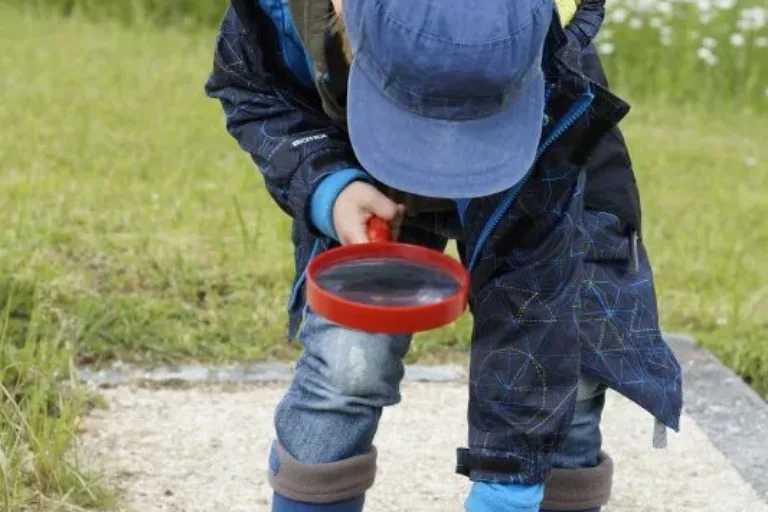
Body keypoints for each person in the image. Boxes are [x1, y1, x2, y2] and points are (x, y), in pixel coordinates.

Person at [205, 0, 683, 510]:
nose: (444, 159)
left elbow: (534, 304)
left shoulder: (543, 56)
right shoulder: (282, 12)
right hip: (369, 178)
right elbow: (254, 90)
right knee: (348, 363)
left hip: (531, 158)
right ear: (341, 12)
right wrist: (330, 187)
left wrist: (508, 491)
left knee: (571, 375)